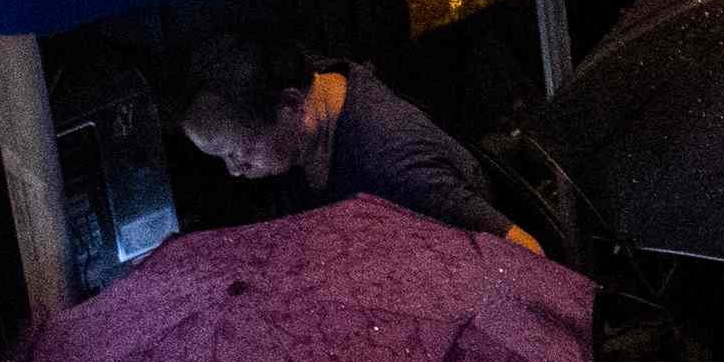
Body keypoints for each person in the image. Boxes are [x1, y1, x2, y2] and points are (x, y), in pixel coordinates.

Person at [174, 29, 521, 243]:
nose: (235, 170)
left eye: (241, 152)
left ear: (291, 104)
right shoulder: (314, 95)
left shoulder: (392, 164)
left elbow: (522, 250)